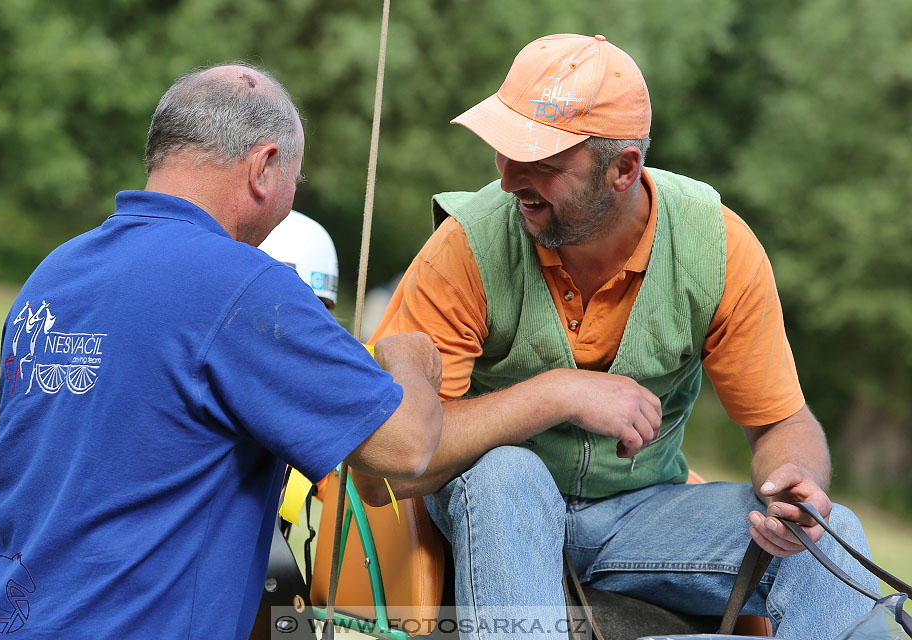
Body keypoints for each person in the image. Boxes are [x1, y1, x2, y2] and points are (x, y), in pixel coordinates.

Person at [360, 34, 878, 639]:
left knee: (833, 540)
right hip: (500, 512)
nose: (509, 180)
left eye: (543, 164)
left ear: (624, 169)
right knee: (507, 473)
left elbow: (780, 423)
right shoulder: (464, 247)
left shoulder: (720, 247)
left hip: (644, 512)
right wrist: (555, 393)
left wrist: (794, 486)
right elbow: (387, 470)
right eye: (504, 151)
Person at [0, 63, 443, 640]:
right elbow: (407, 447)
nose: (291, 198)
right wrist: (409, 356)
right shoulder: (243, 286)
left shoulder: (54, 274)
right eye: (295, 178)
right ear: (263, 167)